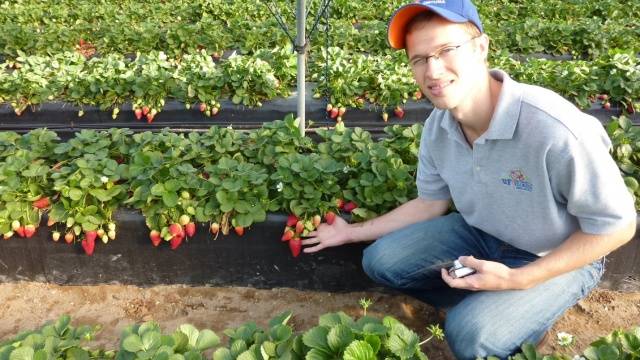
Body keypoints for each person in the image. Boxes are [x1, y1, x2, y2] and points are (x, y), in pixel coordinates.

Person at [301, 0, 637, 358]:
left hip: (555, 255)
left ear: (481, 48)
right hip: (481, 235)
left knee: (467, 335)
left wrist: (520, 278)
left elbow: (618, 227)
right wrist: (350, 232)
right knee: (380, 261)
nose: (432, 71)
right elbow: (430, 204)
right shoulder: (438, 128)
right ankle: (496, 308)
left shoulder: (553, 129)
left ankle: (520, 320)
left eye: (446, 50)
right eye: (419, 58)